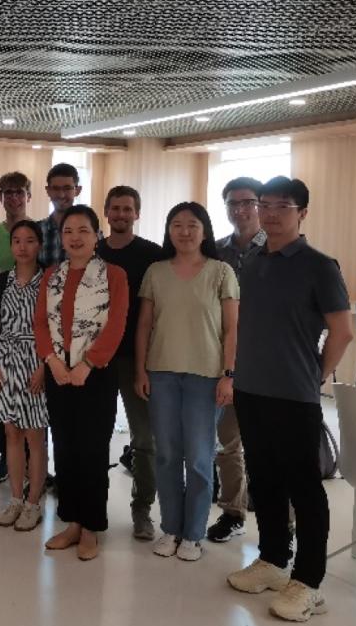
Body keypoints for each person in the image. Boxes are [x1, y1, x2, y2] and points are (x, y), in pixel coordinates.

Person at [227, 177, 352, 623]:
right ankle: (273, 559)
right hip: (250, 390)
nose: (271, 214)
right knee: (264, 480)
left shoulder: (320, 265)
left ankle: (309, 581)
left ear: (303, 213)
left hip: (295, 396)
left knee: (304, 487)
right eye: (265, 205)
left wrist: (315, 374)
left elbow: (343, 331)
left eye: (283, 206)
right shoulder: (254, 261)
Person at [135, 202, 239, 562]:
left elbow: (232, 329)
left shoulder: (221, 272)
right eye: (176, 224)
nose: (184, 231)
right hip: (161, 373)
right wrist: (140, 370)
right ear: (168, 231)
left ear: (205, 231)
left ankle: (193, 534)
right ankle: (171, 528)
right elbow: (144, 325)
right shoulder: (155, 272)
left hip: (206, 377)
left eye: (192, 225)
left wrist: (229, 375)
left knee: (198, 458)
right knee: (166, 455)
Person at [35, 205, 127, 560]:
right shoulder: (52, 275)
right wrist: (53, 361)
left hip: (96, 374)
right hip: (58, 372)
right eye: (68, 231)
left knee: (92, 451)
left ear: (97, 236)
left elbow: (116, 324)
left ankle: (91, 527)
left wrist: (87, 364)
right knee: (65, 447)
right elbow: (41, 323)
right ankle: (72, 522)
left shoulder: (114, 275)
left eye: (83, 230)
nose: (75, 237)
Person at [96, 185, 163, 540]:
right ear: (106, 212)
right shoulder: (93, 252)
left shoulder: (153, 255)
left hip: (138, 359)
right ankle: (93, 507)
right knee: (95, 435)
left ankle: (142, 509)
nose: (121, 214)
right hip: (97, 359)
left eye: (127, 209)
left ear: (137, 213)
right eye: (115, 208)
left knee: (144, 438)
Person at [208, 176, 266, 543]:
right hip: (225, 363)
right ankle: (233, 512)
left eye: (248, 202)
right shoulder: (216, 252)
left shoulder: (277, 249)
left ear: (260, 205)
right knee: (228, 445)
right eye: (233, 203)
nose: (240, 210)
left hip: (268, 364)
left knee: (270, 447)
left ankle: (284, 524)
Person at [0, 220, 48, 532]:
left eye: (30, 240)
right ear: (10, 246)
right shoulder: (2, 281)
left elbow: (56, 327)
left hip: (37, 361)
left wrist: (44, 366)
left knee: (35, 436)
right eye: (17, 241)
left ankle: (33, 502)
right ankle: (15, 498)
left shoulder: (50, 281)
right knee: (11, 432)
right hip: (5, 362)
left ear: (40, 244)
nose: (23, 247)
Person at [0, 171, 32, 483]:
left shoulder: (39, 232)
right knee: (2, 395)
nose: (14, 197)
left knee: (34, 398)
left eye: (19, 192)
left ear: (28, 196)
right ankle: (5, 456)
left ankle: (35, 460)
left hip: (33, 330)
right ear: (0, 197)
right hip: (2, 329)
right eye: (8, 192)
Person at [38, 163, 83, 269]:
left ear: (77, 190)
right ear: (48, 191)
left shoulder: (91, 232)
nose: (61, 195)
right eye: (55, 188)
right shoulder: (36, 231)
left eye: (67, 188)